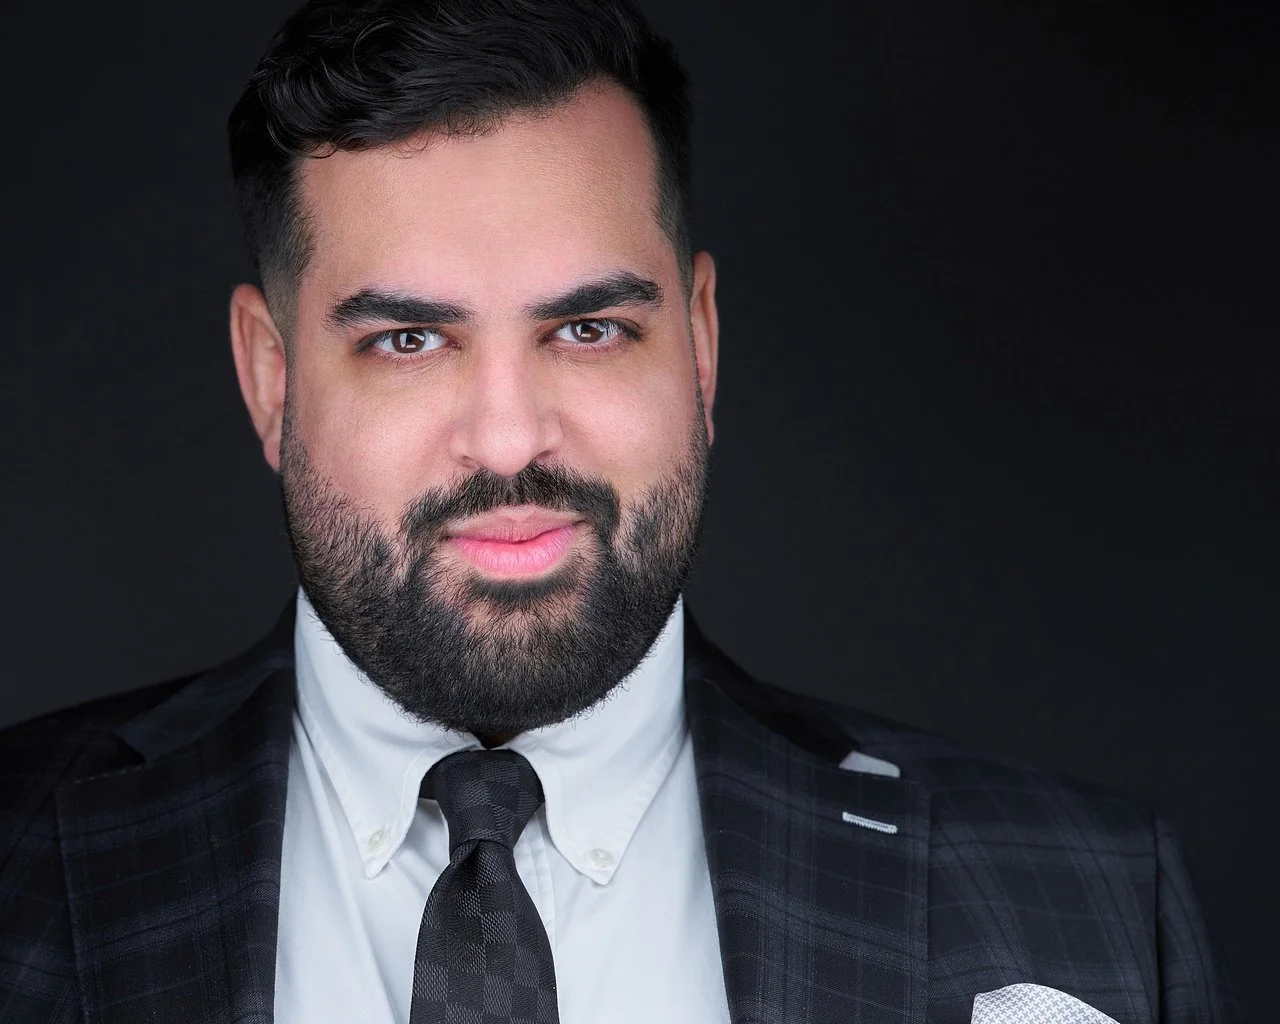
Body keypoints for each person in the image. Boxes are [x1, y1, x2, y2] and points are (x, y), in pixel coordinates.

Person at [0, 1, 1238, 1021]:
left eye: (587, 328)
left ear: (699, 344)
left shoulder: (1085, 893)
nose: (508, 439)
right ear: (271, 378)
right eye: (409, 339)